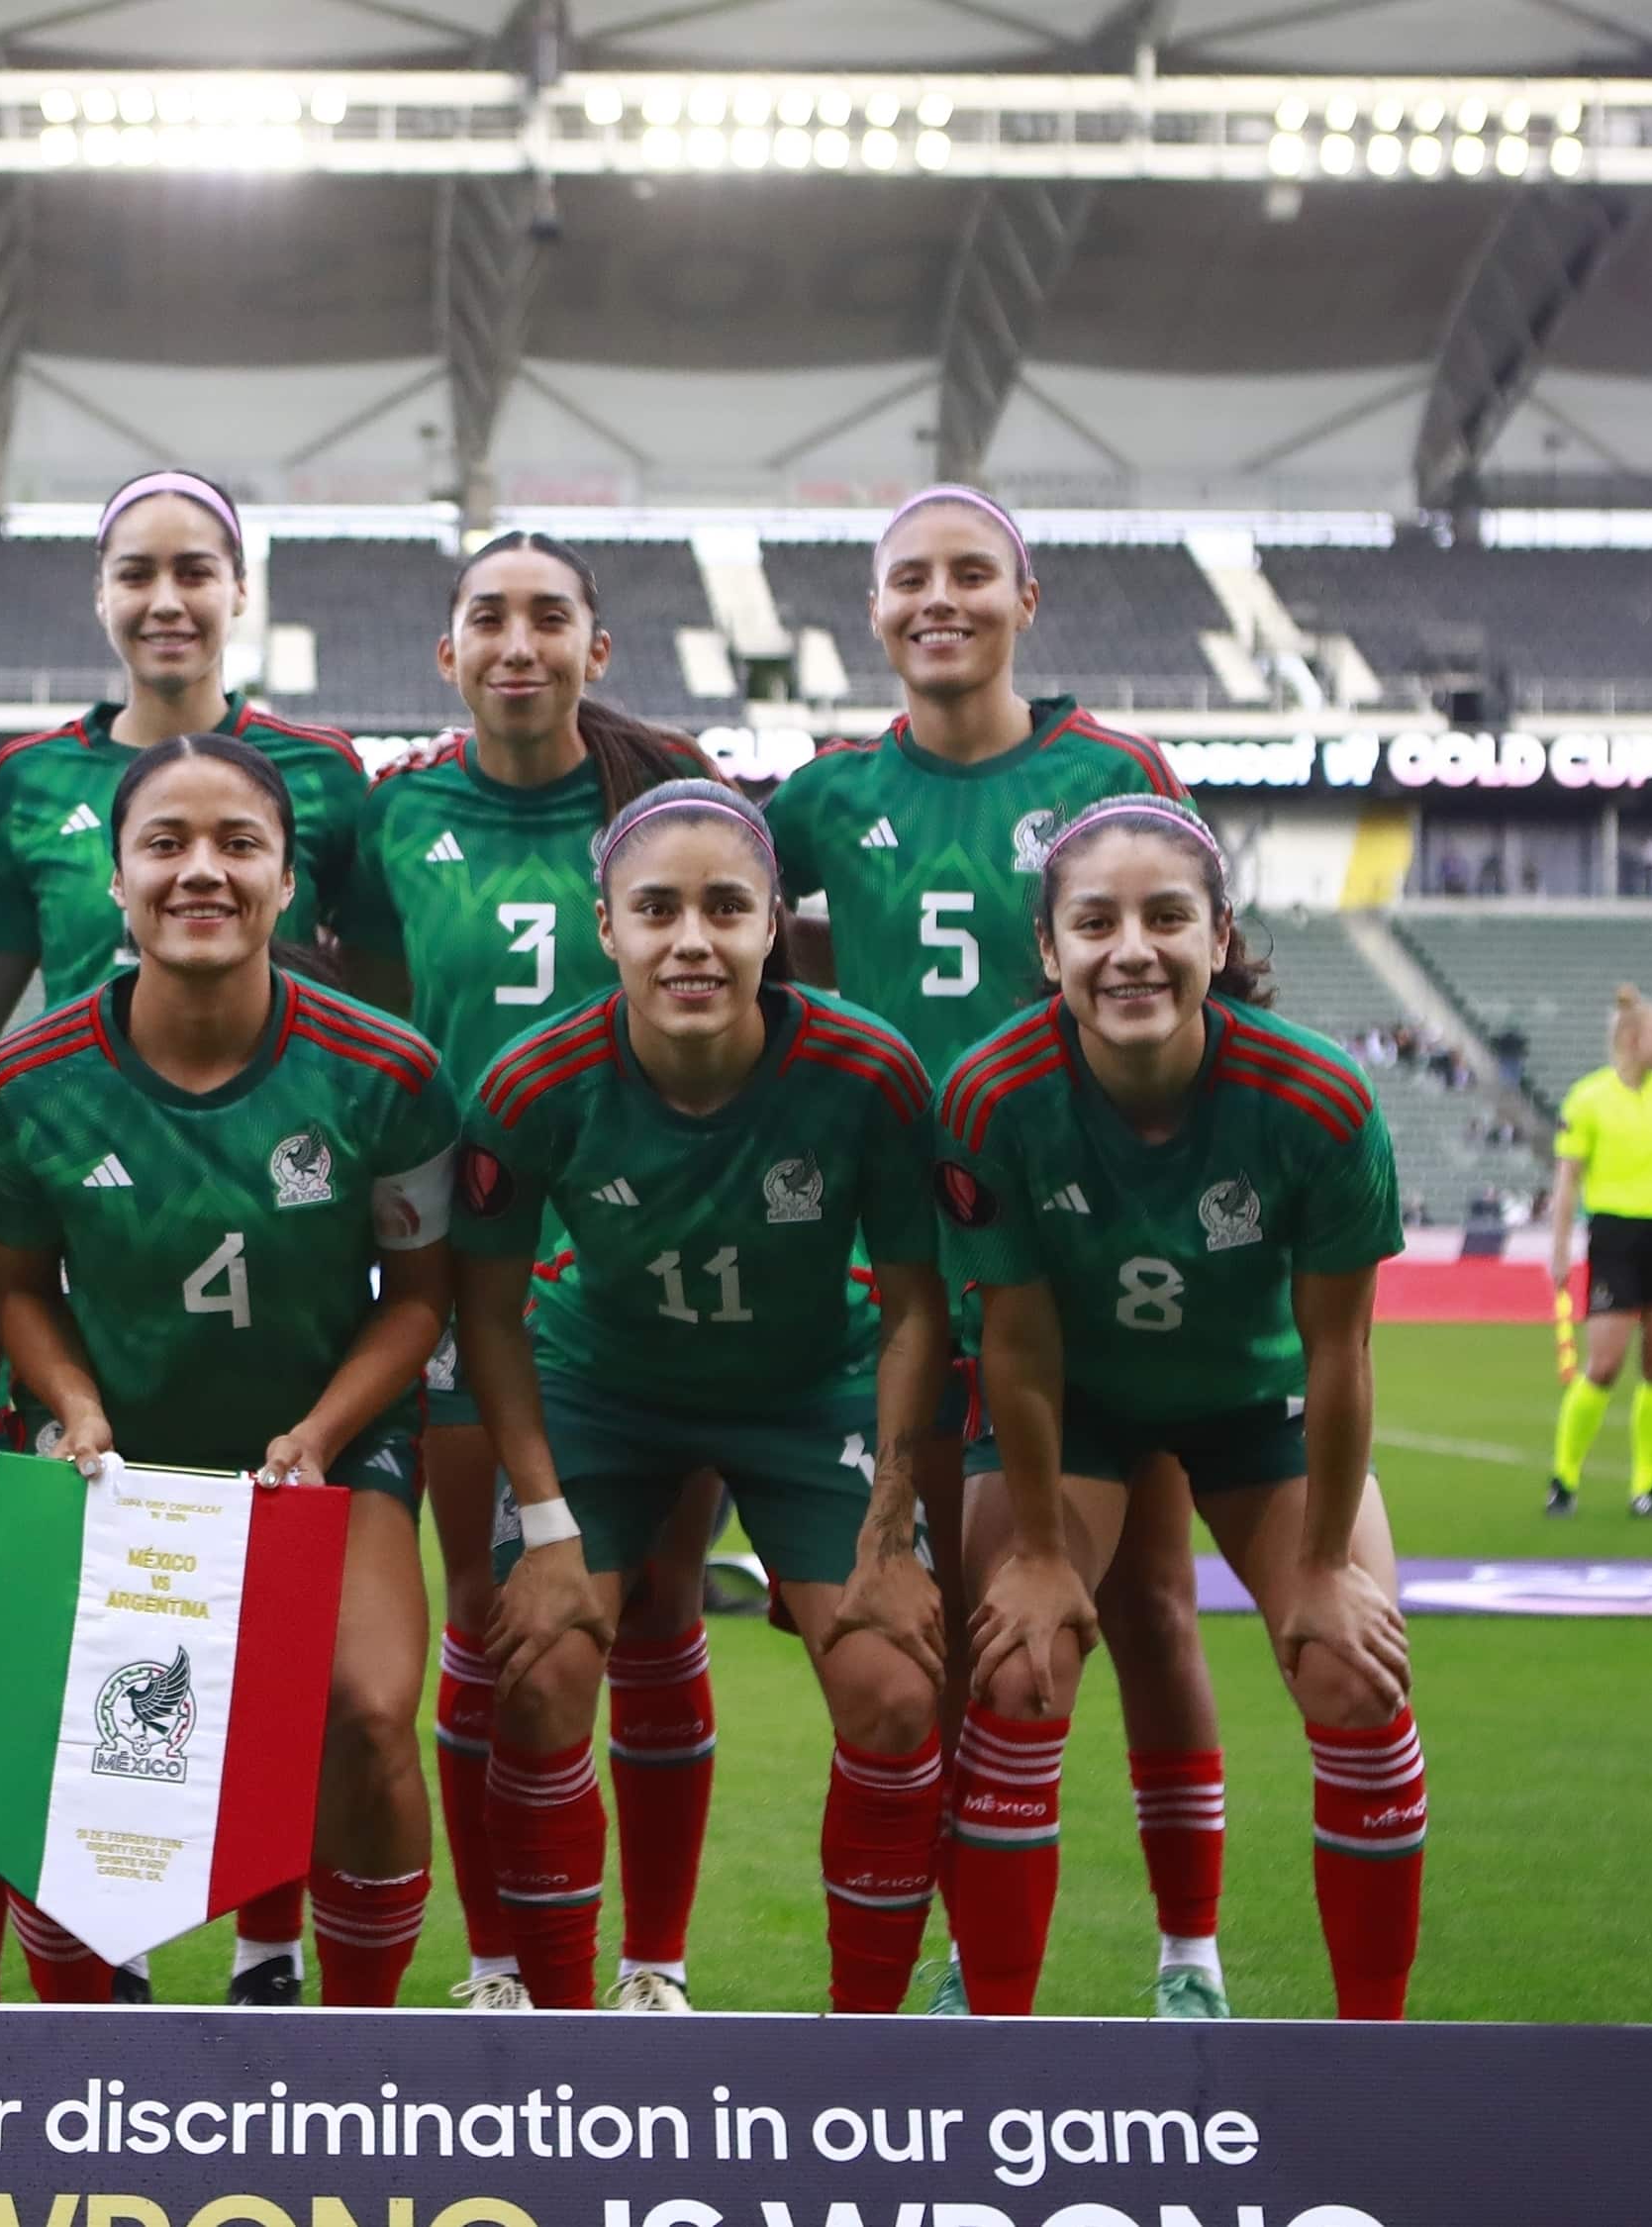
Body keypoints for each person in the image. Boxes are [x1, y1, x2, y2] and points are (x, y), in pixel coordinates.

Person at [762, 485, 1232, 2020]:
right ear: (874, 610)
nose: (939, 599)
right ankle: (977, 1962)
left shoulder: (1113, 771)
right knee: (965, 1634)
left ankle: (1190, 1959)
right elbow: (734, 917)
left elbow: (1202, 967)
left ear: (1028, 599)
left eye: (972, 572)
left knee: (1148, 1605)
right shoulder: (826, 795)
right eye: (910, 577)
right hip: (915, 1270)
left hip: (1092, 1259)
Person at [451, 779, 953, 2013]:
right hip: (603, 1387)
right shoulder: (532, 1084)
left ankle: (866, 2050)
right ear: (606, 925)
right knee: (537, 1672)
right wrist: (546, 1527)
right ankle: (566, 2038)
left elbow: (914, 1307)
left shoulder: (868, 1069)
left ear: (774, 922)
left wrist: (891, 1528)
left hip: (806, 1390)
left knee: (897, 1689)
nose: (691, 940)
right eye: (657, 909)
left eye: (726, 908)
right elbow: (490, 1316)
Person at [0, 734, 457, 2007]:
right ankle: (93, 2036)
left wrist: (318, 1434)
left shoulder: (388, 1070)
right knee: (54, 1741)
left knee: (364, 1712)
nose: (202, 870)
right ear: (116, 878)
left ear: (287, 881)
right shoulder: (26, 1082)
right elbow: (17, 1290)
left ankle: (347, 2044)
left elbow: (420, 1298)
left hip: (321, 1444)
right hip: (115, 1456)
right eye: (166, 843)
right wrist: (74, 1407)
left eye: (239, 844)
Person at [941, 795, 1424, 2020]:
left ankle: (1372, 2057)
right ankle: (988, 2039)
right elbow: (1016, 1344)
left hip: (1255, 1405)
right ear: (1048, 947)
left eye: (1165, 918)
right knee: (1019, 1661)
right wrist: (1039, 1551)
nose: (1131, 952)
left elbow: (1340, 1351)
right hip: (1079, 1410)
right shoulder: (993, 1095)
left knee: (1353, 1669)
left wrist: (1322, 1564)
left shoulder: (1317, 1099)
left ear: (1218, 935)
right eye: (1093, 923)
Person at [338, 531, 724, 2014]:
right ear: (447, 653)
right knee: (490, 1618)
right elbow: (380, 1010)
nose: (518, 642)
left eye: (548, 616)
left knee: (658, 1609)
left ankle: (655, 1963)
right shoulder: (397, 814)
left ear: (594, 649)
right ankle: (498, 1960)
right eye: (487, 617)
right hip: (465, 1262)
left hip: (643, 1256)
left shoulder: (668, 791)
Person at [0, 469, 366, 1032]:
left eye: (194, 573)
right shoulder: (28, 781)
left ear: (240, 589)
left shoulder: (322, 773)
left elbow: (380, 994)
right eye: (136, 575)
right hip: (81, 1092)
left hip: (279, 1094)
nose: (166, 602)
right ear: (102, 595)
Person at [1546, 988, 1652, 1517]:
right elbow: (1567, 1183)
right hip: (1615, 1237)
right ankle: (1564, 1478)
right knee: (1604, 1364)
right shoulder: (1587, 1097)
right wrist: (1559, 1250)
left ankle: (1647, 1486)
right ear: (1631, 1038)